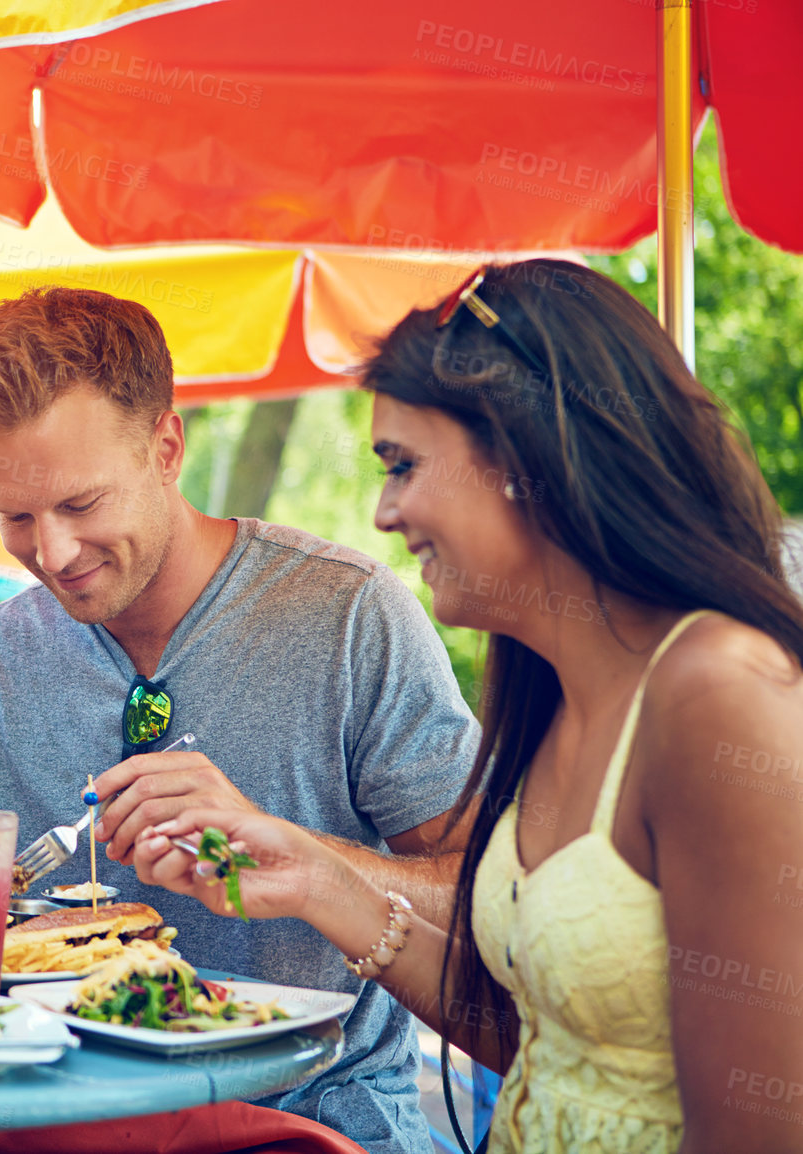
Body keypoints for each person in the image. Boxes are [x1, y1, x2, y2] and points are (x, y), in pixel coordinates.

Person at [130, 261, 803, 1152]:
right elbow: (548, 1040)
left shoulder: (718, 693)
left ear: (528, 454)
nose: (383, 510)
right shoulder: (558, 694)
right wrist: (319, 883)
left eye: (404, 465)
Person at [0, 287, 480, 1154]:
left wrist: (300, 855)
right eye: (16, 518)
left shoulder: (348, 617)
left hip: (312, 1126)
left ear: (167, 447)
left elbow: (490, 899)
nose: (53, 554)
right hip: (56, 1127)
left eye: (81, 506)